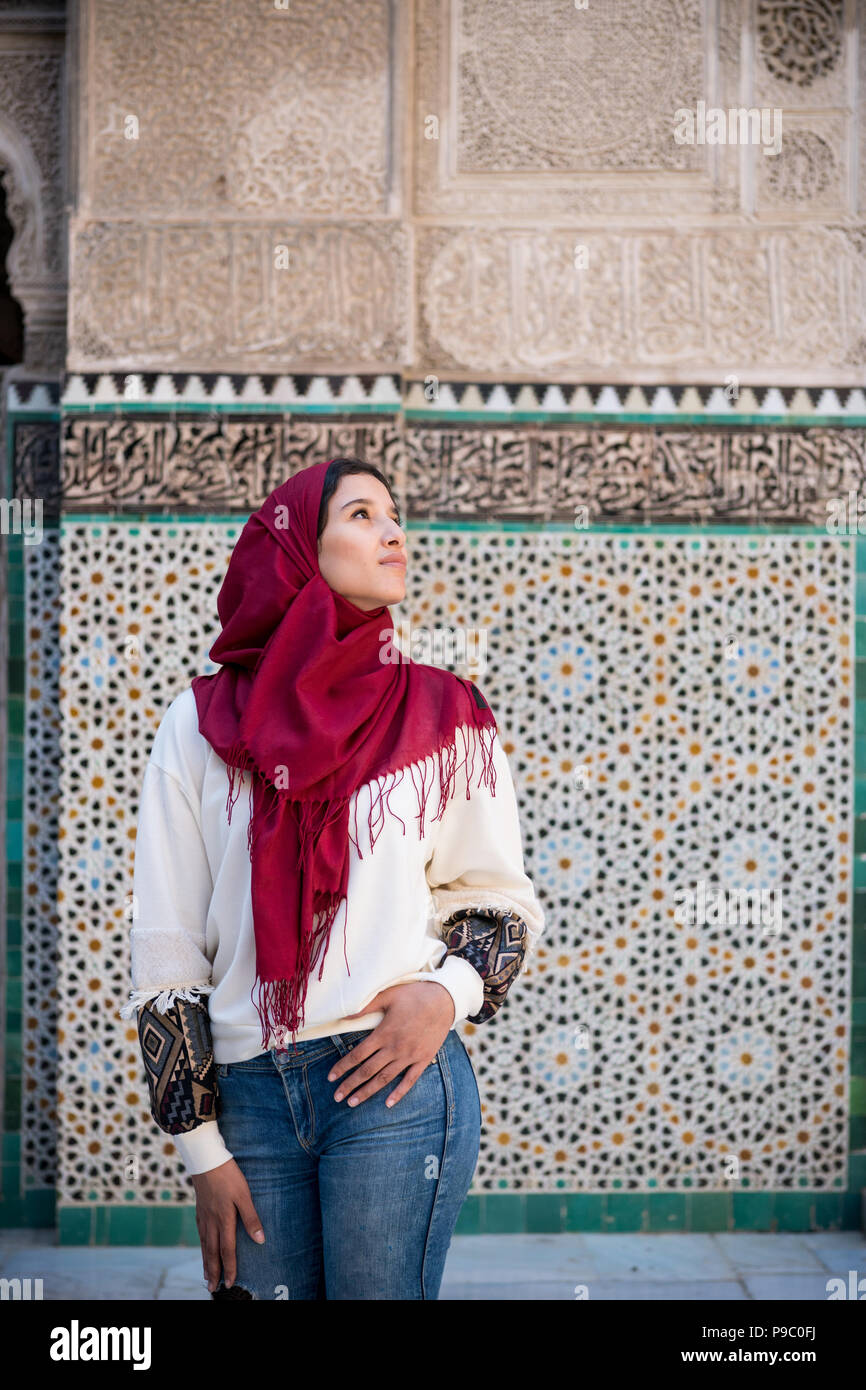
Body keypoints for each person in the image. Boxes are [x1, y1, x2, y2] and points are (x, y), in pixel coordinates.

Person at [119, 455, 544, 1300]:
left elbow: (499, 899)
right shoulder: (199, 726)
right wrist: (200, 1149)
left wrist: (446, 995)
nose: (393, 531)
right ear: (297, 553)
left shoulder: (444, 712)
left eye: (394, 514)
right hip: (247, 1097)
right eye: (360, 514)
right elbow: (165, 943)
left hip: (395, 1083)